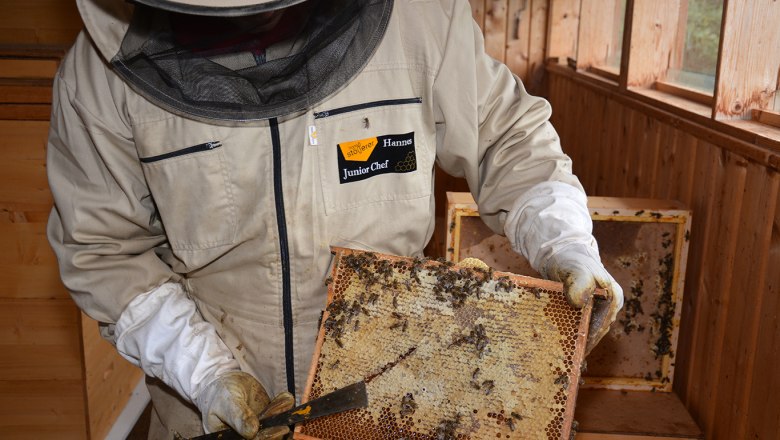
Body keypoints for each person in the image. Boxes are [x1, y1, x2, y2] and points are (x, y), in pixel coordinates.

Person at [46, 0, 624, 438]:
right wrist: (208, 375)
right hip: (206, 414)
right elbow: (105, 252)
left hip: (394, 391)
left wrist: (565, 242)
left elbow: (509, 138)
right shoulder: (97, 81)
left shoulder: (421, 24)